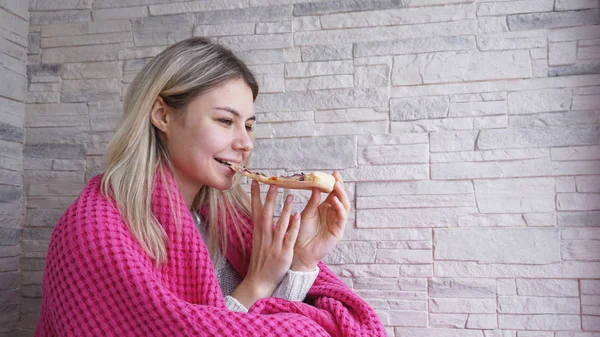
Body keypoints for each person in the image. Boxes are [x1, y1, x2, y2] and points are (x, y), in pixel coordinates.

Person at [34, 37, 386, 336]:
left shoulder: (234, 223)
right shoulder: (93, 229)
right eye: (225, 121)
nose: (245, 143)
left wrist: (302, 262)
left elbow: (269, 324)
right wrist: (257, 285)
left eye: (248, 125)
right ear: (162, 115)